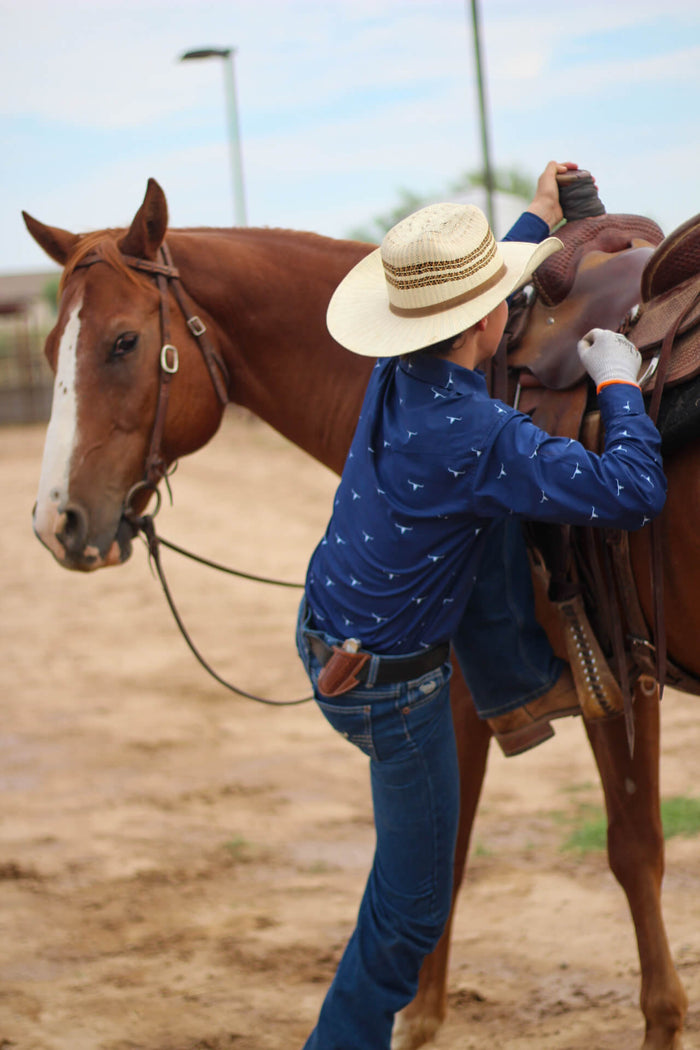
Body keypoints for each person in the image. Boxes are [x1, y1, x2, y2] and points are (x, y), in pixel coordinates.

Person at [295, 160, 666, 1050]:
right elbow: (632, 491)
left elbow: (474, 299)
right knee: (409, 916)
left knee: (406, 889)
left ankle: (518, 679)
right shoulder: (482, 436)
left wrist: (534, 218)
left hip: (324, 639)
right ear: (490, 322)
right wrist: (618, 383)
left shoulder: (391, 372)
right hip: (393, 693)